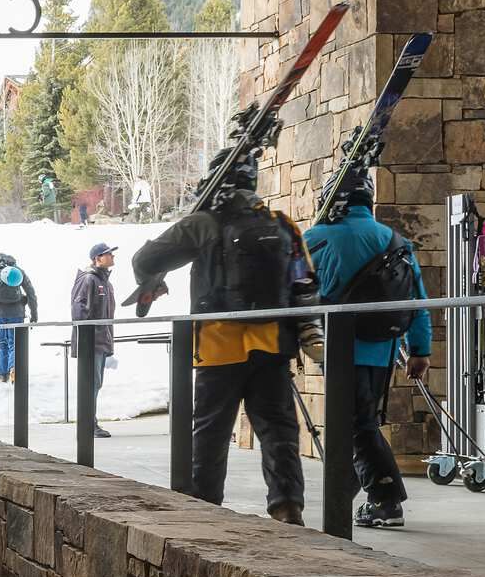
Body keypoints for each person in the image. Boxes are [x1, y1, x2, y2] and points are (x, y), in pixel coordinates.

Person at [130, 151, 323, 525]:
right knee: (278, 429)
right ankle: (287, 507)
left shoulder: (203, 224)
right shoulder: (283, 224)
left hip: (218, 346)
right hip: (272, 344)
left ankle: (204, 508)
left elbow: (145, 261)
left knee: (211, 431)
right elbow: (305, 281)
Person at [304, 176, 432, 529]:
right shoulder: (395, 240)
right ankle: (353, 494)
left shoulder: (317, 239)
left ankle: (385, 500)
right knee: (363, 423)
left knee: (358, 426)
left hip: (341, 349)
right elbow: (417, 300)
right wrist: (419, 350)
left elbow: (295, 289)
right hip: (384, 351)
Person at [70, 242, 118, 439]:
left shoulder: (105, 282)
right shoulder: (89, 280)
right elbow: (79, 309)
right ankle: (88, 424)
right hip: (90, 342)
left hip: (100, 341)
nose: (112, 257)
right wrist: (87, 338)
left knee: (95, 383)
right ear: (97, 258)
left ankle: (90, 421)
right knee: (91, 383)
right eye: (108, 255)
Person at [0, 252, 38, 382]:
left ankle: (2, 373)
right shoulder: (17, 271)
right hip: (17, 312)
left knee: (2, 342)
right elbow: (30, 292)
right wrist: (34, 313)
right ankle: (14, 368)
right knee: (14, 342)